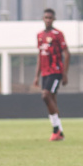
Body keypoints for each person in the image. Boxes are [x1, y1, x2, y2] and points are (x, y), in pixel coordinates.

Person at [33, 8, 70, 141]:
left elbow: (67, 54)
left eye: (50, 17)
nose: (48, 20)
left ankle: (56, 129)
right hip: (45, 72)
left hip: (56, 71)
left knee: (46, 95)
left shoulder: (58, 34)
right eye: (46, 17)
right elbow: (40, 55)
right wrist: (37, 75)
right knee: (51, 99)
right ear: (43, 19)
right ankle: (59, 131)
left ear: (53, 19)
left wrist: (65, 73)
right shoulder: (40, 35)